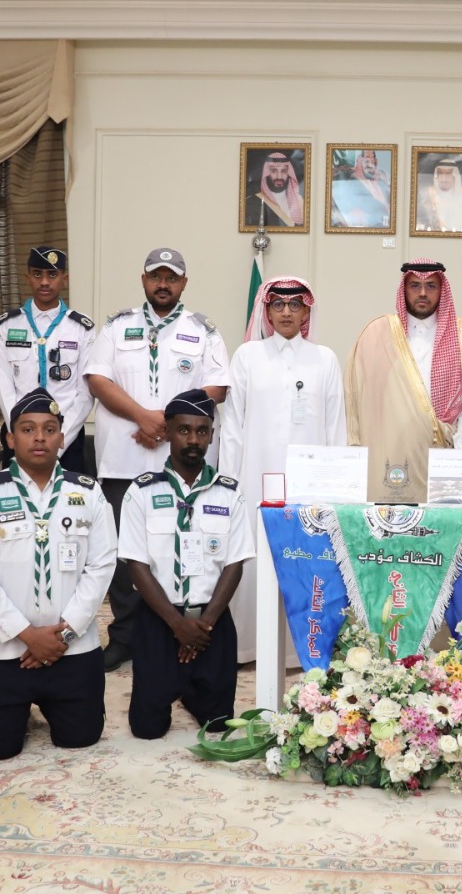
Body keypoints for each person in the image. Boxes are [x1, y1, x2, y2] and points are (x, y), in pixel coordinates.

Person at [87, 247, 230, 671]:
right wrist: (143, 417)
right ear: (143, 279)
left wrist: (168, 425)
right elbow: (96, 379)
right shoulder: (117, 327)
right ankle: (126, 636)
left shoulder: (203, 331)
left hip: (182, 464)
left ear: (184, 283)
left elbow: (218, 387)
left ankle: (177, 629)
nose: (162, 284)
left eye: (171, 277)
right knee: (123, 553)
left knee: (182, 543)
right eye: (156, 277)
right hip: (122, 460)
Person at [0, 388, 116, 761]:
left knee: (81, 738)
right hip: (1, 651)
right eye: (28, 429)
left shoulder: (89, 492)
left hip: (72, 647)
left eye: (49, 429)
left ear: (62, 438)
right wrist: (27, 634)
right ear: (11, 438)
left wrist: (63, 633)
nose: (40, 437)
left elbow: (102, 564)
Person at [216, 276, 345, 659]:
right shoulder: (247, 357)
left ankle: (301, 651)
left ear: (307, 310)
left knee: (308, 564)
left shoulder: (325, 359)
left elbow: (336, 428)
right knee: (254, 559)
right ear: (267, 310)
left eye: (294, 305)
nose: (286, 312)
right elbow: (233, 428)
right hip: (254, 479)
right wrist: (229, 485)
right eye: (278, 305)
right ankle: (247, 646)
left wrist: (337, 492)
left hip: (312, 487)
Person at [117, 390, 252, 739]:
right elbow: (136, 564)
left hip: (212, 622)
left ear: (211, 435)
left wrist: (202, 626)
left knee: (220, 725)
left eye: (202, 431)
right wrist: (178, 625)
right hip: (160, 620)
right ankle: (174, 687)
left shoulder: (230, 494)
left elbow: (235, 564)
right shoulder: (141, 493)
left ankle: (193, 691)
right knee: (147, 729)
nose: (193, 439)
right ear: (168, 432)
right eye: (184, 430)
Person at [346, 260, 462, 503]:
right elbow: (362, 399)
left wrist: (460, 456)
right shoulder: (379, 334)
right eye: (415, 286)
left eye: (431, 286)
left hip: (445, 454)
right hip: (391, 452)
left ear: (442, 290)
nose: (423, 293)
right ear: (404, 290)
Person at [0, 246, 96, 474]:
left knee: (70, 504)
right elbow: (4, 388)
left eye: (52, 274)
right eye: (38, 274)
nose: (45, 282)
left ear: (64, 279)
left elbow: (85, 392)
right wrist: (22, 434)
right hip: (19, 436)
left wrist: (59, 441)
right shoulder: (7, 325)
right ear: (28, 278)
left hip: (67, 438)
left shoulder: (82, 328)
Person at [329, 148, 391, 230]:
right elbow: (347, 205)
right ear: (360, 162)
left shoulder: (380, 181)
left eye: (373, 161)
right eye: (367, 161)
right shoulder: (353, 184)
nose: (370, 165)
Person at [415, 158, 462, 233]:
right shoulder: (425, 194)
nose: (444, 179)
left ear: (455, 176)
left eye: (448, 173)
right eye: (440, 173)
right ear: (436, 176)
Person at [252, 151, 305, 228]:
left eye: (284, 171)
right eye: (274, 171)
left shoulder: (299, 199)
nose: (279, 176)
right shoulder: (256, 200)